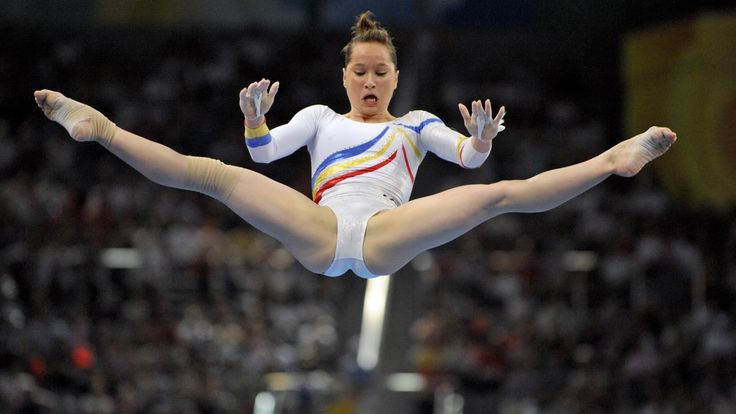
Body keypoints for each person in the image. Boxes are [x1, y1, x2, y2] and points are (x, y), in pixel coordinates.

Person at [34, 11, 676, 279]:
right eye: (360, 71)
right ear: (345, 76)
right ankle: (101, 126)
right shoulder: (316, 117)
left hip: (383, 236)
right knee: (215, 175)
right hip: (320, 230)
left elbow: (470, 160)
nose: (370, 80)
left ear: (396, 77)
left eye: (381, 71)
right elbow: (261, 157)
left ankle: (614, 158)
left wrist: (479, 139)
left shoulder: (415, 124)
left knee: (496, 195)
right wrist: (256, 121)